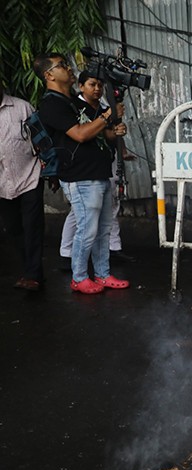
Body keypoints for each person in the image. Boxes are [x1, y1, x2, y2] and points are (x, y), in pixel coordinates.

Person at [33, 53, 130, 294]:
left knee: (103, 228)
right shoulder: (51, 104)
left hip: (98, 171)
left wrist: (113, 130)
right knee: (87, 230)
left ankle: (103, 274)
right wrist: (108, 116)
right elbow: (80, 134)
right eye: (62, 65)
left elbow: (99, 134)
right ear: (49, 75)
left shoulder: (74, 103)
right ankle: (79, 277)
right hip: (79, 176)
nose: (68, 68)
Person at [59, 71, 136, 269]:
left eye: (100, 85)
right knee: (79, 214)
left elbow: (108, 135)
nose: (97, 89)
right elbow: (81, 134)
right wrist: (109, 116)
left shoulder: (104, 107)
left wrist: (119, 137)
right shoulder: (75, 107)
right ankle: (68, 254)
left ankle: (112, 250)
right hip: (81, 169)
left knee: (109, 207)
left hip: (104, 164)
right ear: (82, 86)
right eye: (92, 84)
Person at [0, 83, 44, 291]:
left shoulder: (22, 107)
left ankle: (32, 274)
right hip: (2, 184)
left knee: (32, 226)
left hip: (30, 176)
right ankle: (32, 269)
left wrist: (49, 169)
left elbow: (41, 139)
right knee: (13, 227)